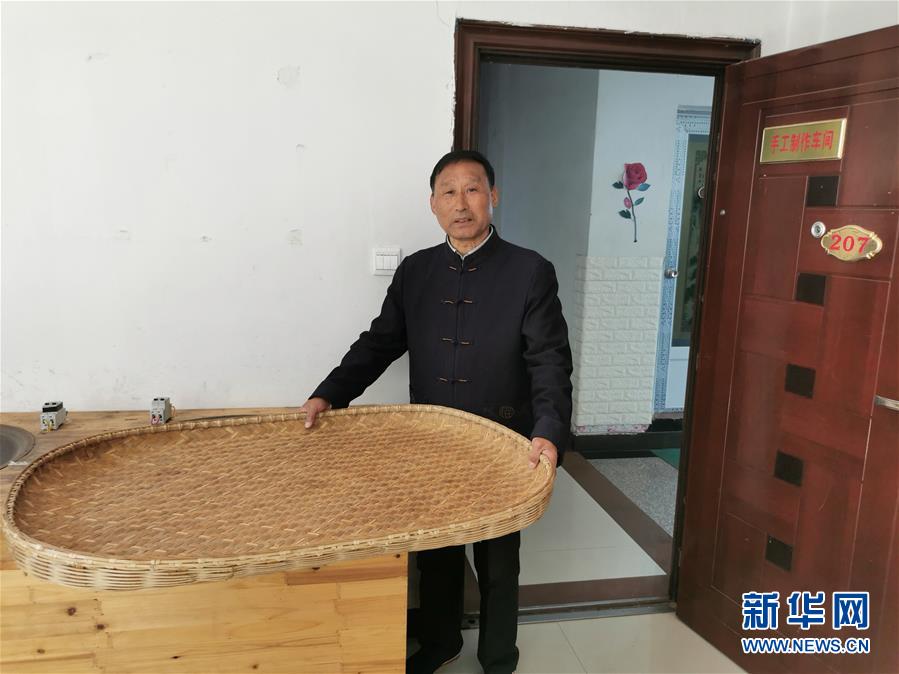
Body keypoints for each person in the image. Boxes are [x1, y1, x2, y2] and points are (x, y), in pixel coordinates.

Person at [300, 149, 572, 674]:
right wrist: (329, 393)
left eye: (472, 190)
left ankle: (498, 657)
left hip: (502, 438)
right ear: (433, 204)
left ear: (493, 197)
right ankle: (441, 641)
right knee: (436, 549)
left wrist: (548, 429)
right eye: (448, 192)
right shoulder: (416, 271)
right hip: (432, 441)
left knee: (497, 560)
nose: (461, 203)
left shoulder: (530, 271)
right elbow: (380, 342)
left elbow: (549, 359)